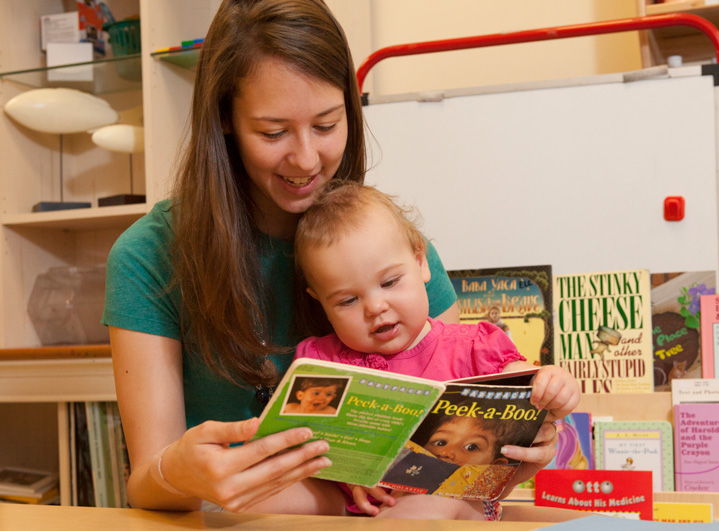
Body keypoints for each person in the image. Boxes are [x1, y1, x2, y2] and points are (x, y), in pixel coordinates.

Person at [101, 0, 473, 515]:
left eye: (326, 124)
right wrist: (177, 471)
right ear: (225, 119)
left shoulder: (386, 249)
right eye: (273, 133)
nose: (304, 159)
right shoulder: (149, 257)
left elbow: (464, 427)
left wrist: (528, 449)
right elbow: (145, 485)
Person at [293, 181, 581, 520]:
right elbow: (305, 443)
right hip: (363, 509)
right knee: (261, 499)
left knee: (428, 503)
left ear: (420, 262)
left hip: (458, 503)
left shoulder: (474, 346)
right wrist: (348, 473)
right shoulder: (321, 361)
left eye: (389, 282)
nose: (375, 307)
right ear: (321, 302)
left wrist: (555, 385)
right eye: (347, 300)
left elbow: (524, 385)